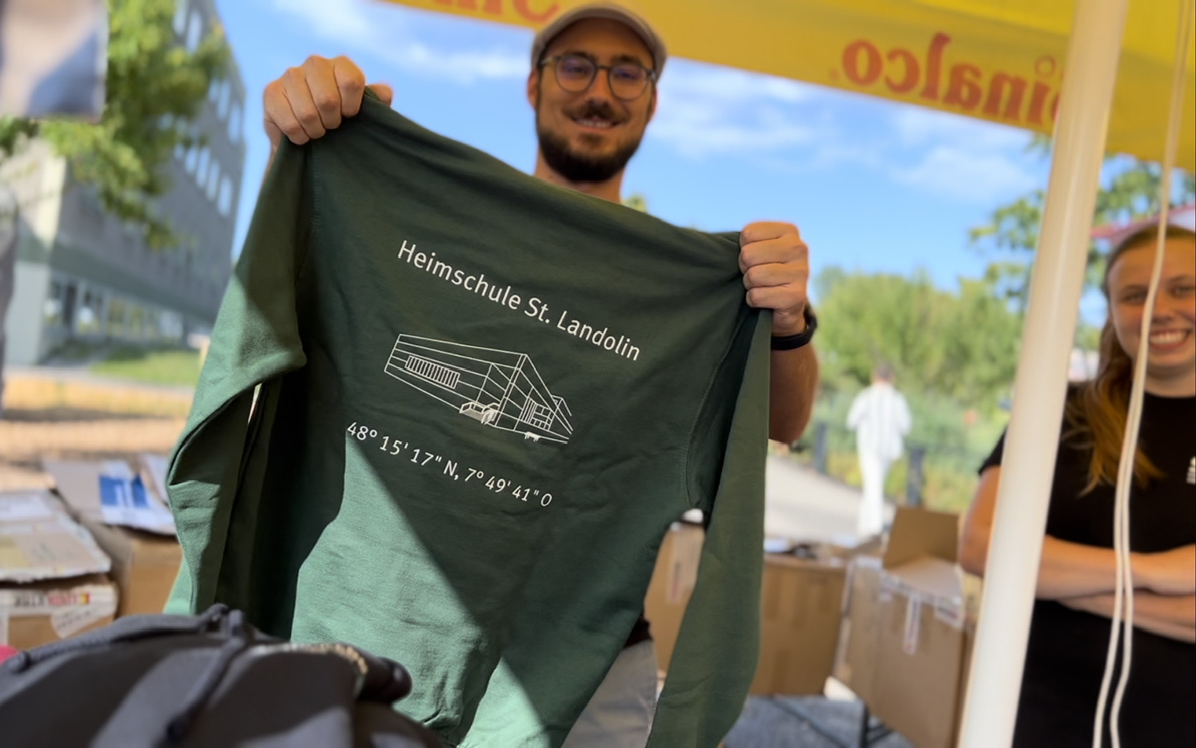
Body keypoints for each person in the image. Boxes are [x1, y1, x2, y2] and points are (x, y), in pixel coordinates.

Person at [255, 4, 819, 744]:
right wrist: (315, 157)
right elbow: (282, 314)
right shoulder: (429, 221)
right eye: (576, 66)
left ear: (652, 101)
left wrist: (786, 321)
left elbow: (784, 423)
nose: (600, 91)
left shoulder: (685, 296)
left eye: (627, 73)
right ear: (534, 85)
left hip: (585, 673)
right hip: (384, 630)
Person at [958, 217, 1196, 747]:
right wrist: (1158, 573)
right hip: (1035, 718)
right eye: (1135, 295)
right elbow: (979, 545)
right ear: (1112, 313)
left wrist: (1070, 587)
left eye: (1183, 288)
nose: (1159, 309)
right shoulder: (1056, 411)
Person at [845, 362, 911, 537]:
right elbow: (906, 425)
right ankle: (874, 527)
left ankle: (868, 525)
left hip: (869, 448)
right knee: (874, 485)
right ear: (891, 378)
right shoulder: (896, 399)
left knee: (873, 485)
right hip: (885, 450)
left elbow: (851, 421)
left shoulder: (866, 396)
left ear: (874, 376)